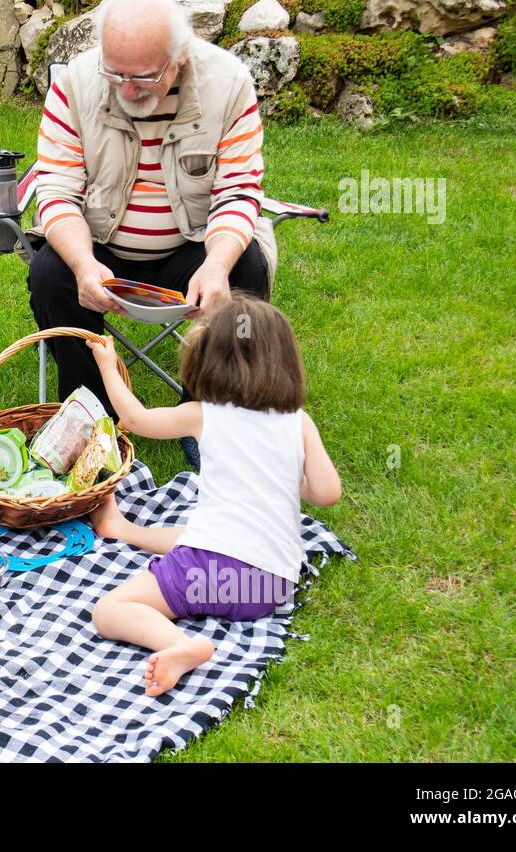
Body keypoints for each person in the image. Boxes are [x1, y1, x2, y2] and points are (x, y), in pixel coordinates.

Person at [26, 0, 277, 464]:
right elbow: (56, 190)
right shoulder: (77, 83)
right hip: (103, 246)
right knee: (50, 274)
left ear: (179, 58)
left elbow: (239, 191)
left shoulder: (229, 84)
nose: (126, 89)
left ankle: (203, 414)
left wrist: (218, 264)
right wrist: (82, 264)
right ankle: (90, 414)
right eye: (113, 72)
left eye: (142, 76)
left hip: (192, 246)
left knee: (244, 271)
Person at [86, 296, 341, 696]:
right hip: (270, 585)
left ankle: (181, 646)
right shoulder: (298, 421)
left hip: (213, 574)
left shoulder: (205, 414)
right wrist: (291, 482)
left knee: (108, 610)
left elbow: (135, 419)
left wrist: (106, 364)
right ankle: (122, 528)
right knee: (199, 531)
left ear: (209, 362)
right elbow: (326, 493)